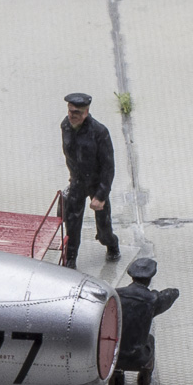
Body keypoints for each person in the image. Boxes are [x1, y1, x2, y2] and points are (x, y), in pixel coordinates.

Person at [60, 92, 119, 267]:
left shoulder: (99, 132)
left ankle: (112, 245)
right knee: (72, 224)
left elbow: (108, 167)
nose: (72, 116)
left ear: (86, 112)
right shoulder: (65, 126)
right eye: (70, 111)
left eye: (77, 112)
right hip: (77, 182)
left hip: (96, 184)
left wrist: (101, 195)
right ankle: (70, 258)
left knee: (104, 227)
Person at [115, 257, 180, 369]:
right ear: (149, 279)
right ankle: (146, 373)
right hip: (137, 357)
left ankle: (117, 373)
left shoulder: (116, 294)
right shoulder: (153, 300)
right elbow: (171, 295)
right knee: (150, 339)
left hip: (113, 353)